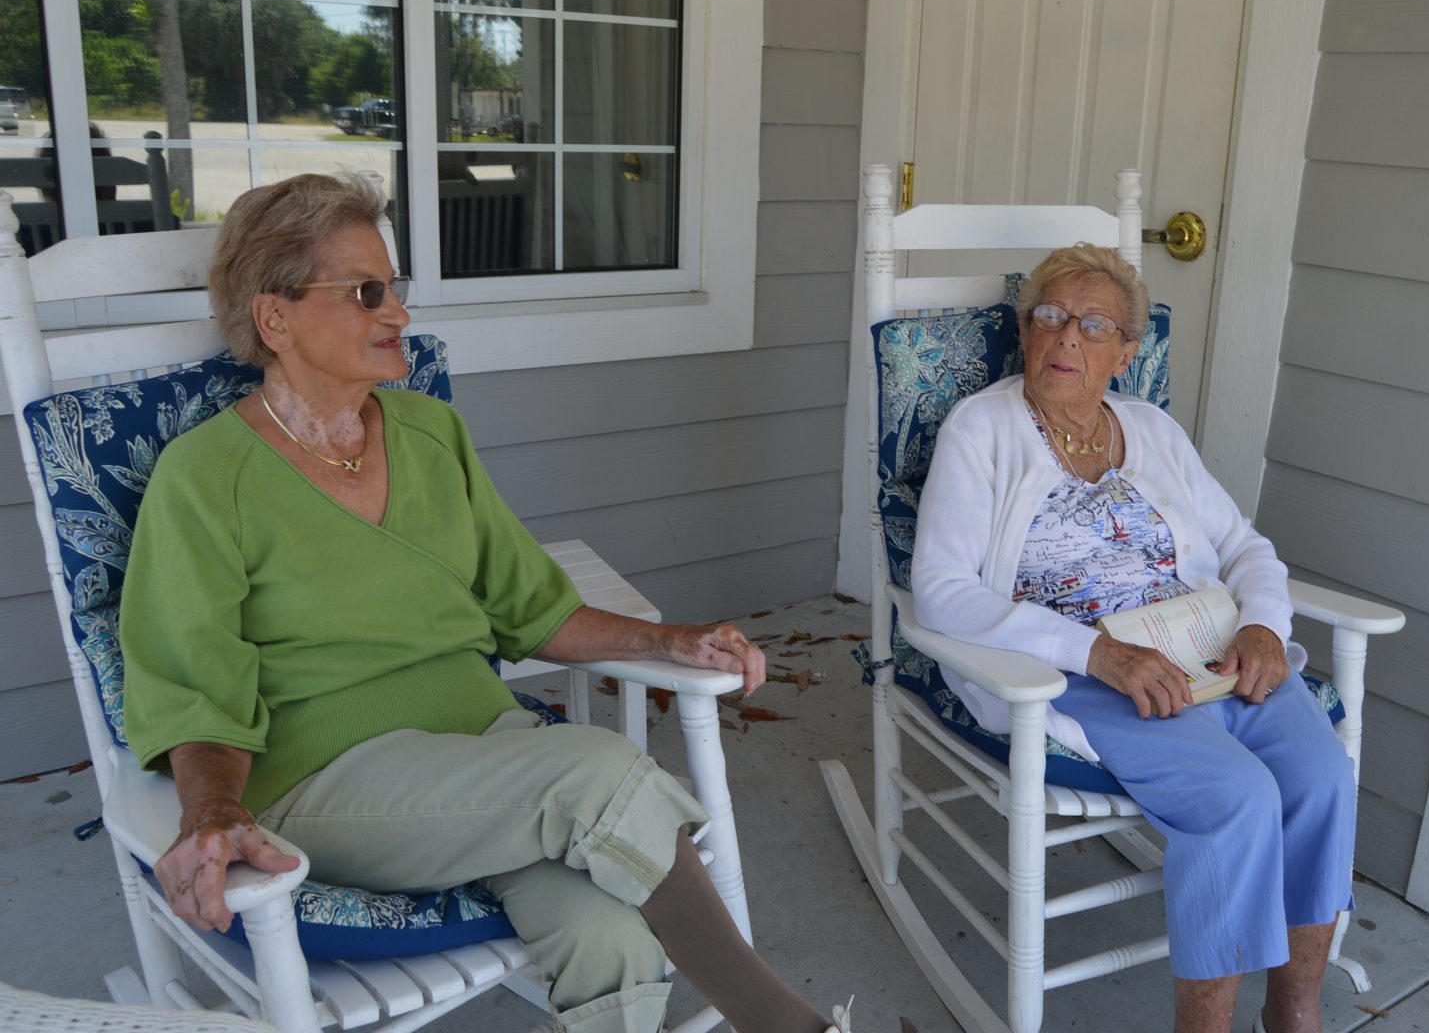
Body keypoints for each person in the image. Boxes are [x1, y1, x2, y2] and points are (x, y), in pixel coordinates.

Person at [120, 172, 856, 1033]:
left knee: (609, 931)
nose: (399, 313)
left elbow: (530, 607)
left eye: (395, 287)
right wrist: (213, 812)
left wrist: (670, 641)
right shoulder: (205, 476)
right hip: (329, 781)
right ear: (275, 318)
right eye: (366, 293)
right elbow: (193, 687)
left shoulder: (431, 434)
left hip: (486, 759)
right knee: (598, 771)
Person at [909, 244, 1355, 1033]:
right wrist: (1097, 653)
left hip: (1208, 646)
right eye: (1049, 316)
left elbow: (1246, 547)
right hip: (1077, 669)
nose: (1066, 337)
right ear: (1026, 330)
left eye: (1093, 325)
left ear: (1125, 352)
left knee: (1321, 778)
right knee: (1236, 797)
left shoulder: (1152, 429)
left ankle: (1294, 1013)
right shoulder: (981, 429)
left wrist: (1263, 624)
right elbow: (941, 590)